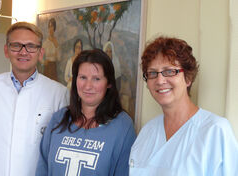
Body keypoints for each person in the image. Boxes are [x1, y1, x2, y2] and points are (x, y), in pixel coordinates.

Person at [0, 22, 69, 176]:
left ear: (41, 53)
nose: (23, 52)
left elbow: (59, 153)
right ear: (6, 51)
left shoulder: (59, 93)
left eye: (31, 46)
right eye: (16, 45)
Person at [129, 36, 238, 175]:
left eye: (169, 71)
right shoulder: (146, 132)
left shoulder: (215, 131)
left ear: (188, 78)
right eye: (152, 73)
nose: (160, 80)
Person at [36, 49, 136, 176]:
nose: (88, 86)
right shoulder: (59, 118)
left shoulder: (123, 126)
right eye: (83, 77)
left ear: (109, 83)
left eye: (96, 79)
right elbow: (42, 169)